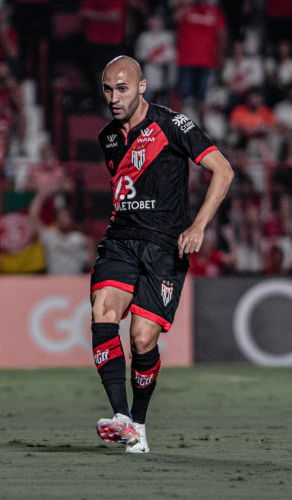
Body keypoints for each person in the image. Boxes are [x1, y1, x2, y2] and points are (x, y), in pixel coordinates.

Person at [91, 56, 233, 453]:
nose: (114, 97)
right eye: (107, 89)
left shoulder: (174, 125)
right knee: (103, 309)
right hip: (120, 240)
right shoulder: (108, 137)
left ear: (142, 87)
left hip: (164, 248)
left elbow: (223, 170)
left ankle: (138, 422)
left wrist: (199, 225)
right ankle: (120, 417)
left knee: (141, 338)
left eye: (122, 88)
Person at [29, 187, 93, 275]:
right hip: (54, 282)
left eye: (66, 217)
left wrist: (92, 248)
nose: (64, 220)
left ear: (72, 220)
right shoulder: (50, 236)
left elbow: (93, 266)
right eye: (61, 217)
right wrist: (40, 196)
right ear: (56, 220)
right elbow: (33, 218)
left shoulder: (81, 239)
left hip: (75, 282)